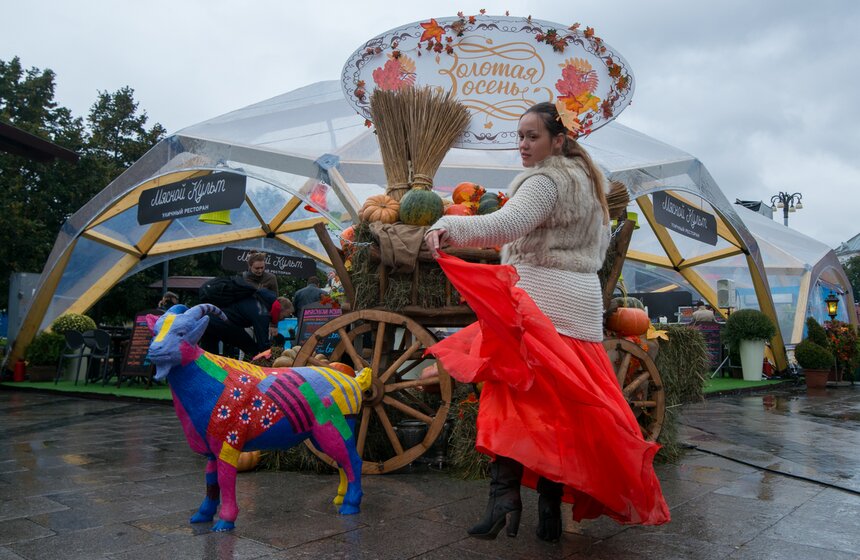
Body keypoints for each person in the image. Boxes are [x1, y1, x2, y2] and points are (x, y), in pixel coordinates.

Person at [424, 102, 670, 542]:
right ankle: (550, 511)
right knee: (560, 411)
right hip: (580, 306)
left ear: (558, 141)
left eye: (532, 136)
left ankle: (504, 499)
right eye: (520, 136)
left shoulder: (546, 179)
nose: (522, 144)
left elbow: (505, 225)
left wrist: (449, 228)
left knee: (510, 399)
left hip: (540, 304)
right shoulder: (590, 187)